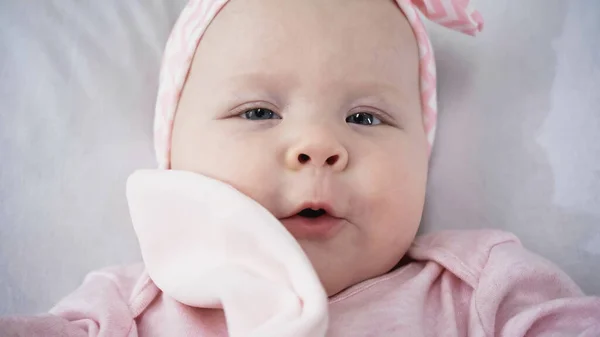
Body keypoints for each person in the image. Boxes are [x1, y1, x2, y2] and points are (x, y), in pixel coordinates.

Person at [2, 0, 599, 336]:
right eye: (258, 111)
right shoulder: (128, 309)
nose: (318, 146)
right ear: (172, 150)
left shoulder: (481, 291)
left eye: (365, 118)